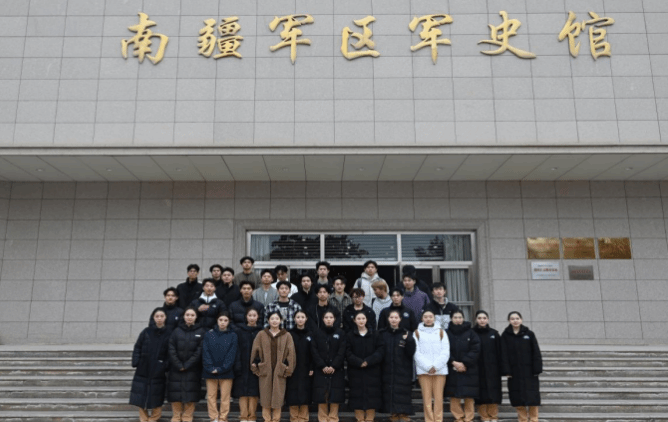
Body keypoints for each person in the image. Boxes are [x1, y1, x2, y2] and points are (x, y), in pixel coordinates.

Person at [251, 311, 296, 422]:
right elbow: (255, 351)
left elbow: (291, 354)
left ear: (281, 320)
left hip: (280, 370)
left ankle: (276, 419)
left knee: (278, 397)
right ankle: (267, 419)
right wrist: (255, 367)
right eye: (272, 318)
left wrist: (289, 369)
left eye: (277, 318)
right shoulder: (261, 334)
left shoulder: (286, 335)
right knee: (265, 396)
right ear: (268, 320)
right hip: (265, 369)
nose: (274, 321)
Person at [130, 307, 172, 422]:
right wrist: (136, 361)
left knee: (157, 395)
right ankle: (143, 418)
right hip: (143, 368)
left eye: (162, 316)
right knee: (141, 395)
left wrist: (165, 365)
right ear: (153, 318)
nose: (159, 318)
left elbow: (171, 352)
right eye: (157, 316)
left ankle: (154, 418)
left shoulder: (169, 333)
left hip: (159, 370)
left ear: (165, 318)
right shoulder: (146, 331)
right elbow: (137, 347)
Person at [501, 311, 542, 422]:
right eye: (512, 319)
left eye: (517, 318)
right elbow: (503, 354)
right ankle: (522, 419)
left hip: (529, 372)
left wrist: (537, 368)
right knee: (517, 397)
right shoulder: (505, 335)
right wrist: (506, 370)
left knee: (532, 397)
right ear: (509, 321)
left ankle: (534, 419)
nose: (515, 321)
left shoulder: (529, 334)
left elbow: (536, 352)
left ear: (521, 319)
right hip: (514, 372)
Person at [167, 306, 205, 422]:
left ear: (196, 317)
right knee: (175, 393)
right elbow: (171, 348)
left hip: (193, 369)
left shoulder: (201, 332)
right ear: (184, 316)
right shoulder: (176, 331)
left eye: (192, 315)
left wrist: (188, 364)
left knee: (191, 393)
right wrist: (178, 364)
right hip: (176, 368)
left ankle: (188, 416)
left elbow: (200, 350)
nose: (189, 317)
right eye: (187, 315)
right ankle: (176, 416)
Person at [346, 311, 384, 422]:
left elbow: (380, 350)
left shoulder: (375, 334)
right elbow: (347, 352)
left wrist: (368, 361)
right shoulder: (350, 335)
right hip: (355, 370)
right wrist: (358, 362)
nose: (361, 321)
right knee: (356, 394)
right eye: (358, 319)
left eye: (363, 318)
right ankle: (360, 418)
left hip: (372, 369)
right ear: (354, 321)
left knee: (372, 394)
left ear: (366, 320)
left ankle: (370, 418)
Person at [379, 309, 416, 422]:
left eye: (396, 318)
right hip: (387, 367)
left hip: (403, 368)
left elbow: (411, 352)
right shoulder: (382, 333)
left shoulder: (406, 333)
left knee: (403, 392)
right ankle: (393, 413)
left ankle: (404, 413)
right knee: (390, 391)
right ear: (388, 319)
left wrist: (408, 340)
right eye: (391, 317)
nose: (393, 320)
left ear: (400, 319)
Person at [311, 310, 347, 422]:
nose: (328, 319)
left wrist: (334, 365)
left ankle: (333, 418)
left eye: (331, 317)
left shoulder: (340, 333)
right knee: (322, 394)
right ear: (323, 319)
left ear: (334, 319)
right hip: (321, 369)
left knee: (335, 395)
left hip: (336, 369)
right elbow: (314, 350)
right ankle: (322, 418)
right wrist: (322, 365)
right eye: (326, 317)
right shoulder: (317, 333)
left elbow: (342, 351)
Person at [202, 311, 238, 422]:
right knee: (211, 396)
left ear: (229, 322)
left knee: (225, 397)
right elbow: (205, 351)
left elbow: (231, 354)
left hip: (226, 371)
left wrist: (222, 368)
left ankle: (223, 417)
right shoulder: (209, 334)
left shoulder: (233, 335)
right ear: (217, 321)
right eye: (221, 320)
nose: (223, 322)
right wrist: (210, 367)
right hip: (210, 370)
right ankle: (213, 417)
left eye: (225, 320)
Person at [414, 310, 449, 422]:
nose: (428, 319)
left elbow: (445, 351)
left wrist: (436, 366)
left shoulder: (441, 332)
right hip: (424, 371)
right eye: (425, 317)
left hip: (440, 371)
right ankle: (429, 419)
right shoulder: (417, 333)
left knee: (438, 398)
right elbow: (416, 352)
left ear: (434, 318)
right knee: (426, 398)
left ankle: (438, 419)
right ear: (422, 318)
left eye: (430, 316)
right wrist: (428, 367)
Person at [446, 310, 481, 422]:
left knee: (469, 395)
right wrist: (453, 362)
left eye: (460, 317)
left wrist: (464, 363)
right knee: (454, 395)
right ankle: (458, 417)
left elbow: (476, 349)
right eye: (455, 317)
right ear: (451, 319)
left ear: (463, 318)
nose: (458, 319)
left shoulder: (471, 333)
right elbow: (444, 350)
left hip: (469, 368)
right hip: (453, 368)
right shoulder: (446, 333)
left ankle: (469, 418)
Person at [232, 307, 263, 422]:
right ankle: (244, 416)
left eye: (254, 315)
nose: (252, 318)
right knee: (242, 392)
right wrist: (237, 364)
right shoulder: (239, 331)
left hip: (256, 365)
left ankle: (252, 416)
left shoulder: (261, 332)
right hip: (242, 364)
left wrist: (258, 362)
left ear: (258, 317)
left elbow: (263, 350)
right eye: (250, 315)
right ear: (246, 317)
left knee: (254, 392)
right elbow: (236, 349)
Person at [473, 311, 503, 422]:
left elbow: (500, 352)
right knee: (480, 393)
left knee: (493, 392)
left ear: (488, 320)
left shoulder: (494, 334)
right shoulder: (472, 333)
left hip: (492, 368)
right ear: (476, 320)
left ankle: (493, 416)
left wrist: (502, 367)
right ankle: (484, 416)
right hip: (477, 368)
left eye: (484, 318)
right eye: (479, 318)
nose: (482, 320)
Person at [286, 310, 314, 422]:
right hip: (292, 367)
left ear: (306, 319)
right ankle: (294, 418)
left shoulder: (311, 334)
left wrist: (312, 367)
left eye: (303, 317)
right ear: (294, 319)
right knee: (292, 393)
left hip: (306, 368)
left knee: (305, 393)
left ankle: (303, 418)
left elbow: (314, 352)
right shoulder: (289, 334)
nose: (300, 319)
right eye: (298, 317)